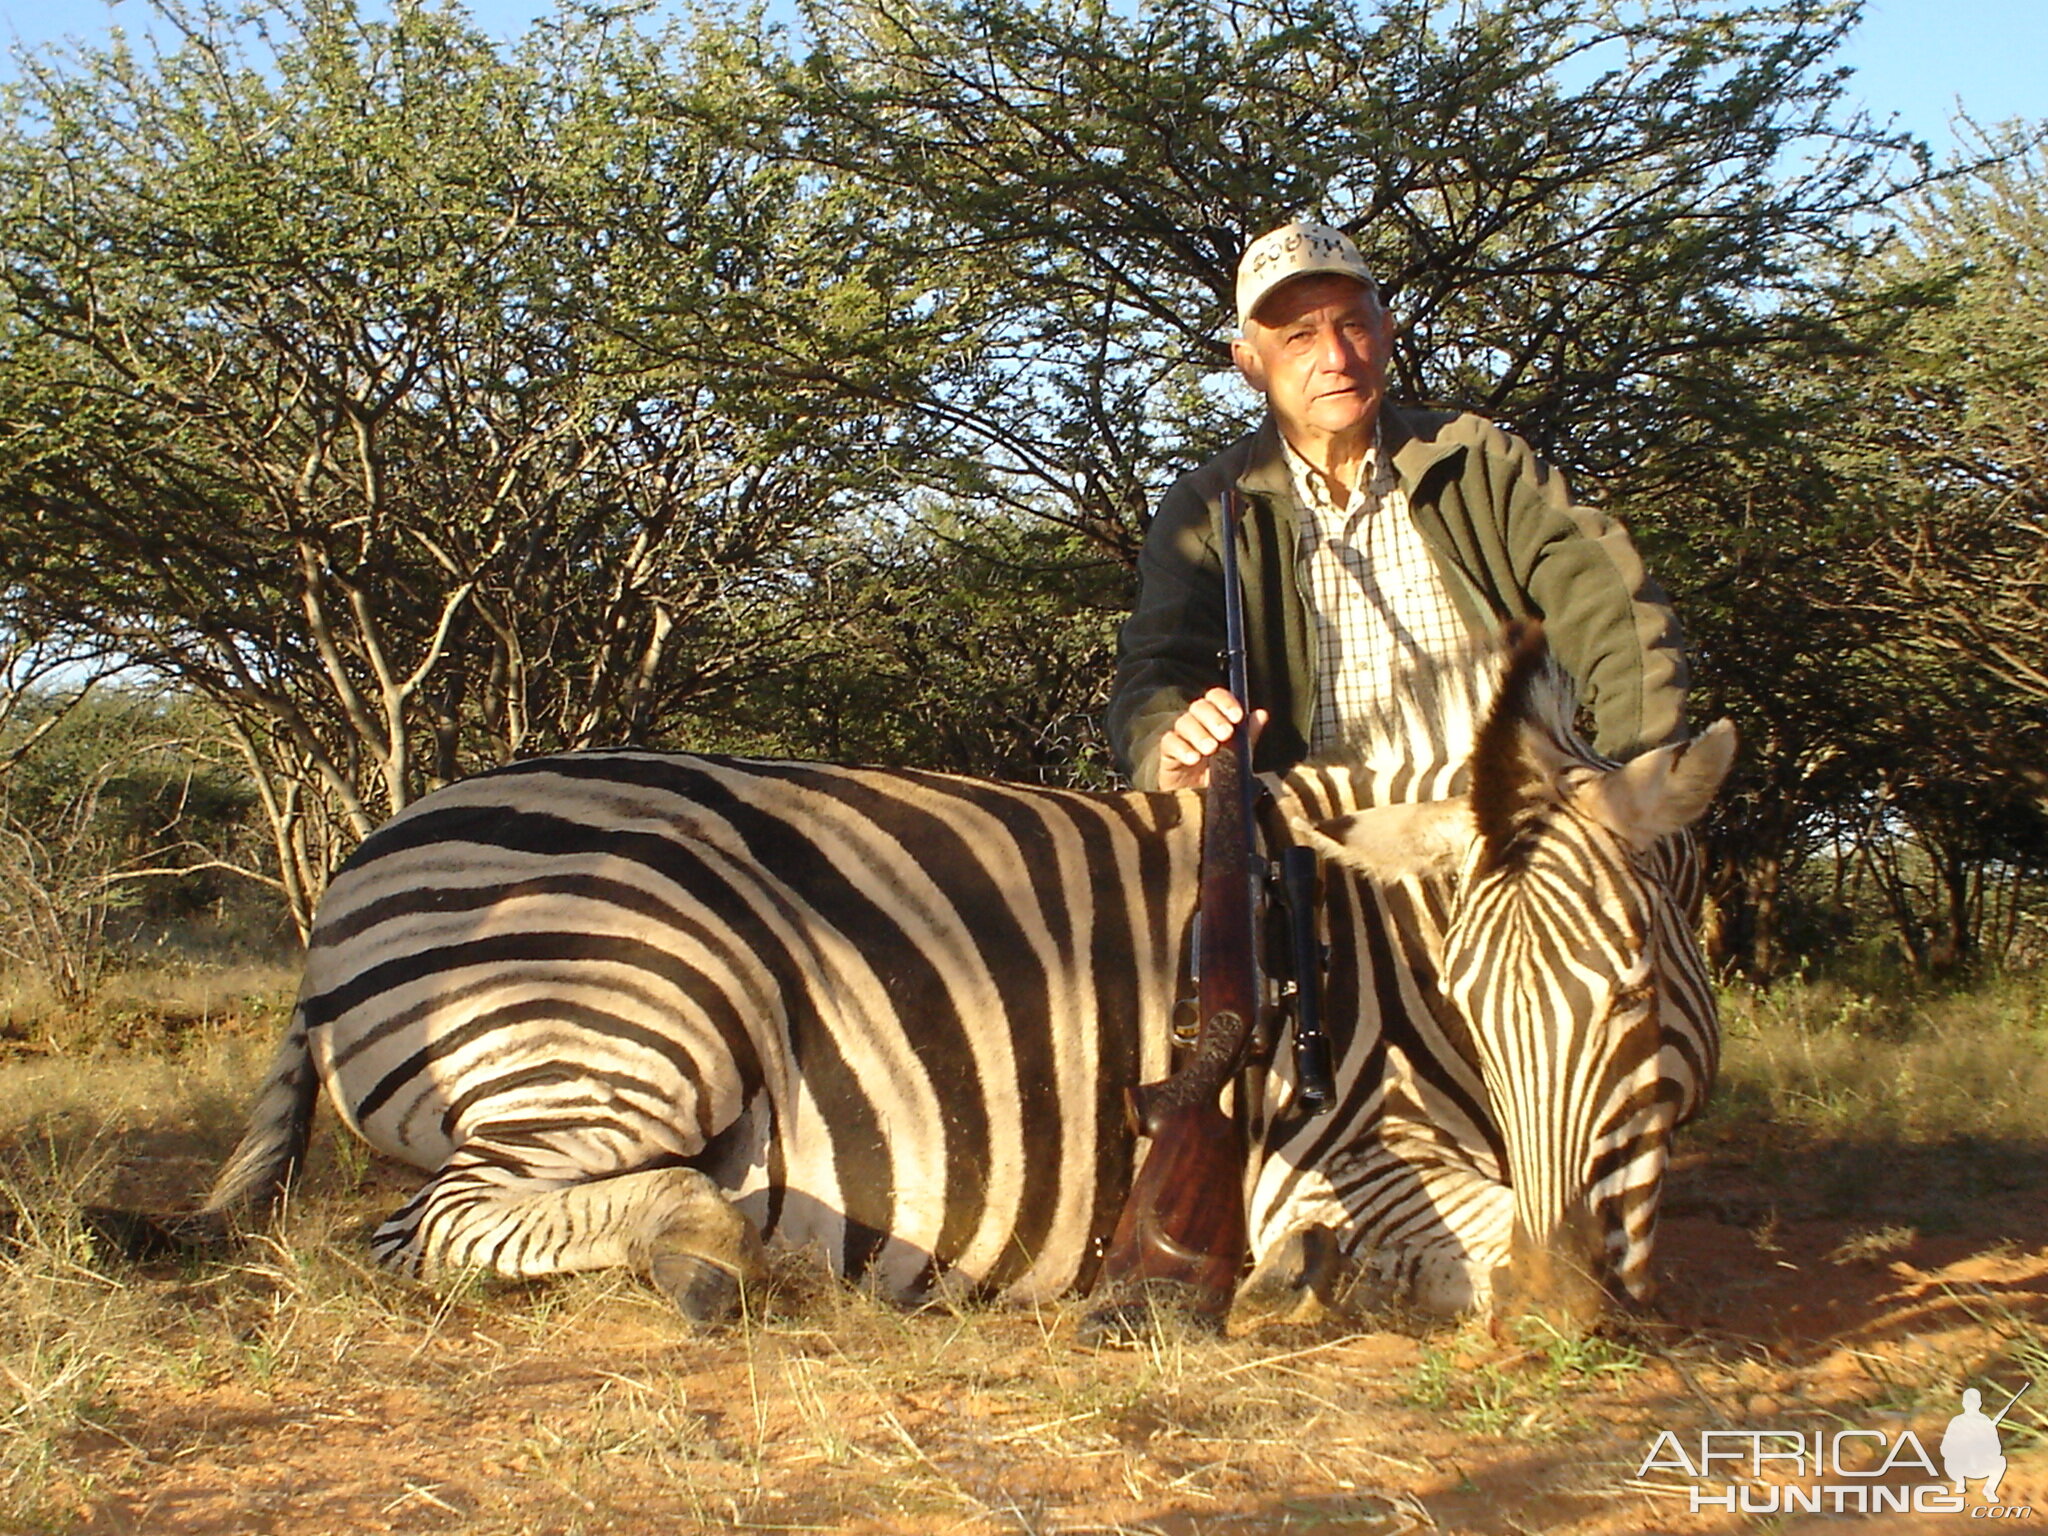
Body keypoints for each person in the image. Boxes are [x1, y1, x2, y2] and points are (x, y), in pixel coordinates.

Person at [1107, 218, 1690, 791]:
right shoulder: (1208, 508)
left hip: (1504, 834)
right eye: (1298, 337)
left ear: (1386, 334)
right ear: (1250, 364)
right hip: (1321, 854)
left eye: (1353, 325)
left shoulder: (1477, 460)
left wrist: (1630, 783)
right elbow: (1156, 670)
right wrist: (1170, 748)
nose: (1335, 357)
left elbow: (1615, 611)